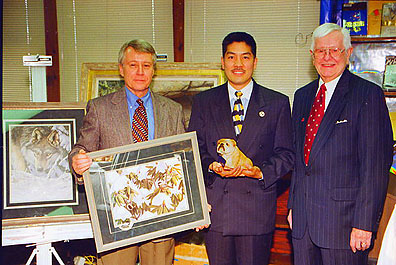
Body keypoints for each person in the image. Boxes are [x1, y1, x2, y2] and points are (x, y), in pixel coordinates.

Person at [69, 39, 184, 265]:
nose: (140, 72)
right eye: (133, 65)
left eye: (146, 65)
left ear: (154, 69)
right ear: (121, 69)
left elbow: (182, 160)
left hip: (161, 212)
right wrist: (77, 161)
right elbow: (81, 148)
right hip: (116, 214)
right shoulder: (100, 108)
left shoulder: (173, 110)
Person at [287, 23, 393, 265]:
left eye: (334, 50)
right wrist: (294, 206)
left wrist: (364, 224)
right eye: (321, 51)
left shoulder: (367, 95)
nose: (327, 57)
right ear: (312, 56)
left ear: (348, 53)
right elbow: (299, 159)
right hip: (303, 224)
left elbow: (375, 165)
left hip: (344, 226)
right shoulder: (302, 96)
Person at [188, 32, 294, 265]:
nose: (238, 64)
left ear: (255, 62)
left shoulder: (277, 102)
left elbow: (287, 154)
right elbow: (195, 149)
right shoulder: (204, 102)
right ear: (222, 61)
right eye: (231, 57)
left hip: (255, 209)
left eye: (245, 57)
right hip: (217, 209)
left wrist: (259, 171)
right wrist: (211, 165)